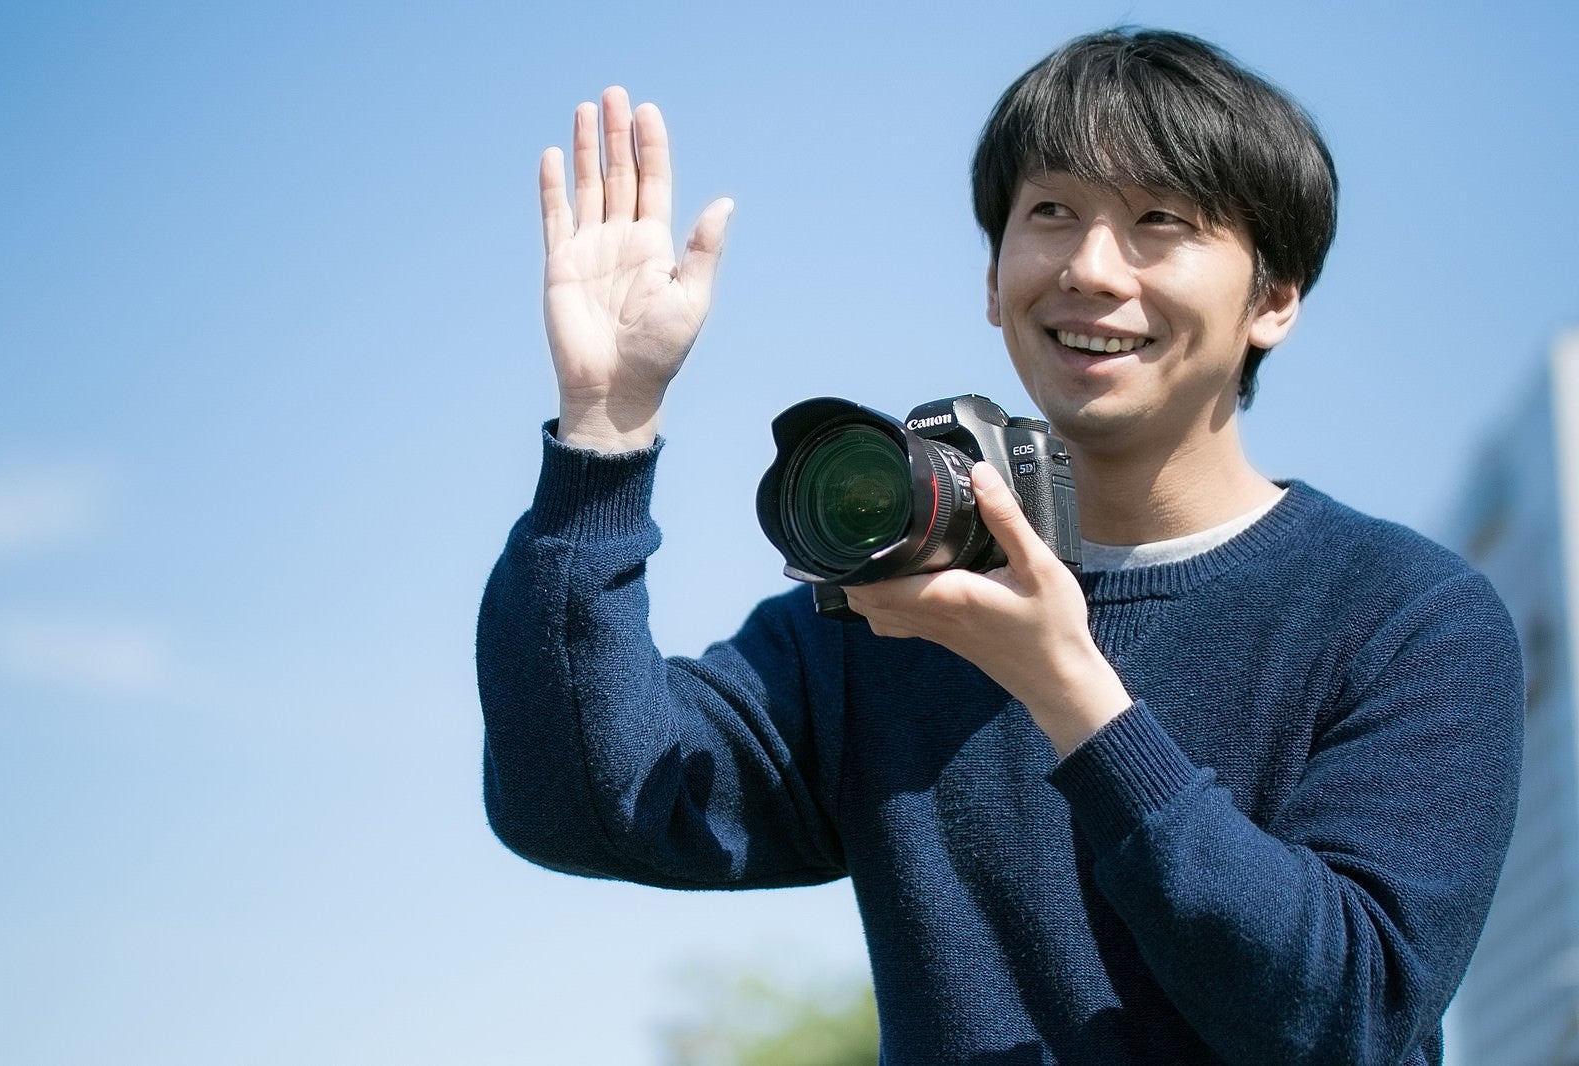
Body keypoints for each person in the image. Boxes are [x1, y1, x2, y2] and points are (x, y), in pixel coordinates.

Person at [477, 27, 1523, 1065]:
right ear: (992, 278)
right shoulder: (896, 609)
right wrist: (604, 431)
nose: (1089, 268)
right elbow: (579, 802)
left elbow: (1348, 1015)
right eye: (1052, 213)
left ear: (1274, 298)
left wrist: (1072, 697)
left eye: (1159, 221)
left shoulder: (1403, 616)